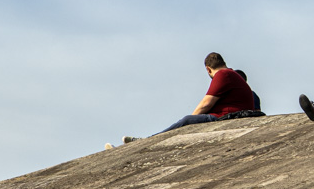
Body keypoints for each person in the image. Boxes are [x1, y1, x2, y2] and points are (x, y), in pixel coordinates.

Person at [109, 53, 255, 148]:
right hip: (232, 113)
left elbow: (206, 103)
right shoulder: (231, 75)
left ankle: (146, 141)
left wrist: (191, 120)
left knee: (186, 120)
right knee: (188, 121)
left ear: (208, 69)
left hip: (227, 116)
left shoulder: (223, 75)